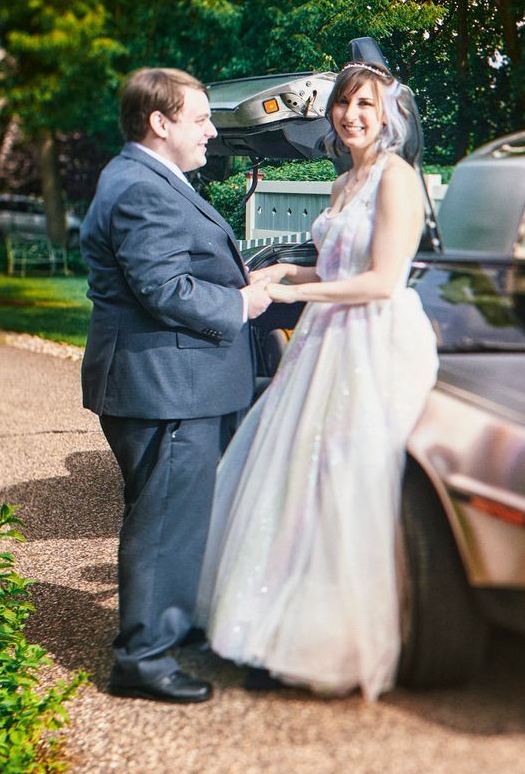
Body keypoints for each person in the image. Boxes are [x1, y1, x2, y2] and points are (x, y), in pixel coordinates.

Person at [198, 59, 439, 700]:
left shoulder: (397, 179)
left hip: (374, 338)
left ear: (388, 114)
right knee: (295, 478)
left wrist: (305, 290)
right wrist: (280, 277)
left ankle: (325, 640)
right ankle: (268, 625)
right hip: (327, 333)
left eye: (365, 105)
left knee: (346, 483)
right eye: (343, 104)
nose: (352, 115)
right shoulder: (344, 183)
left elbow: (382, 281)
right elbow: (331, 266)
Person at [80, 67, 274, 703]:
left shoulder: (144, 178)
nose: (213, 132)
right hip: (166, 383)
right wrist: (243, 303)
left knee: (180, 513)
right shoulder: (142, 188)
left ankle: (171, 624)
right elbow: (164, 288)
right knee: (165, 518)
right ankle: (142, 659)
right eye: (201, 120)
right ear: (159, 124)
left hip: (173, 378)